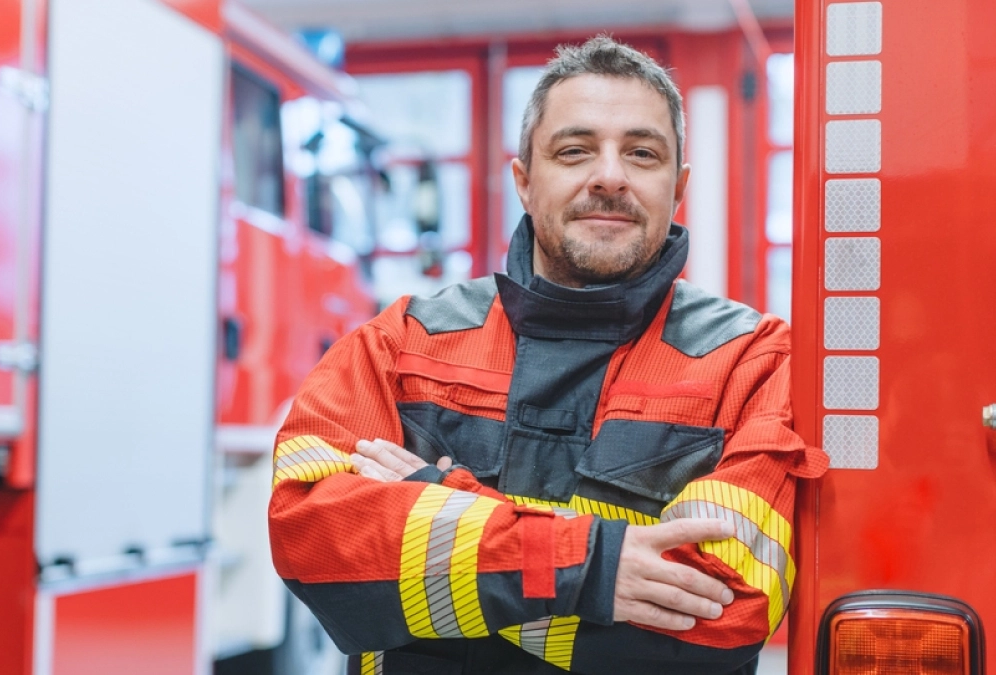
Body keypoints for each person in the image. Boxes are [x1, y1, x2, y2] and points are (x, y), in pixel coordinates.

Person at [268, 35, 828, 675]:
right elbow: (315, 545)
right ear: (525, 181)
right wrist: (596, 571)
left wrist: (440, 501)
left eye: (642, 153)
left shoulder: (752, 362)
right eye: (575, 150)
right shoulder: (398, 344)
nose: (610, 175)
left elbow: (717, 615)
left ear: (678, 187)